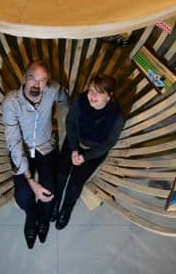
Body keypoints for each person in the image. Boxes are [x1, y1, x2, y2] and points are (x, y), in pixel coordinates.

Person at [2, 60, 68, 248]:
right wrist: (31, 181)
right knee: (22, 194)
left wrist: (65, 120)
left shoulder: (53, 89)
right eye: (32, 79)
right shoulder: (11, 103)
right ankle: (32, 216)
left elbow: (64, 100)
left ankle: (45, 219)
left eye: (42, 81)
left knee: (49, 190)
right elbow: (14, 143)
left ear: (47, 82)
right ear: (24, 78)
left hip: (45, 146)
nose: (37, 85)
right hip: (22, 149)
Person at [53, 74, 124, 230]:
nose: (92, 95)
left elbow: (109, 143)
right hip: (75, 142)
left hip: (94, 151)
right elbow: (70, 123)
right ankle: (56, 200)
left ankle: (67, 208)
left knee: (75, 182)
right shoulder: (80, 100)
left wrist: (85, 157)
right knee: (61, 173)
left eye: (99, 92)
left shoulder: (116, 116)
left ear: (109, 96)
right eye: (91, 90)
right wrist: (73, 149)